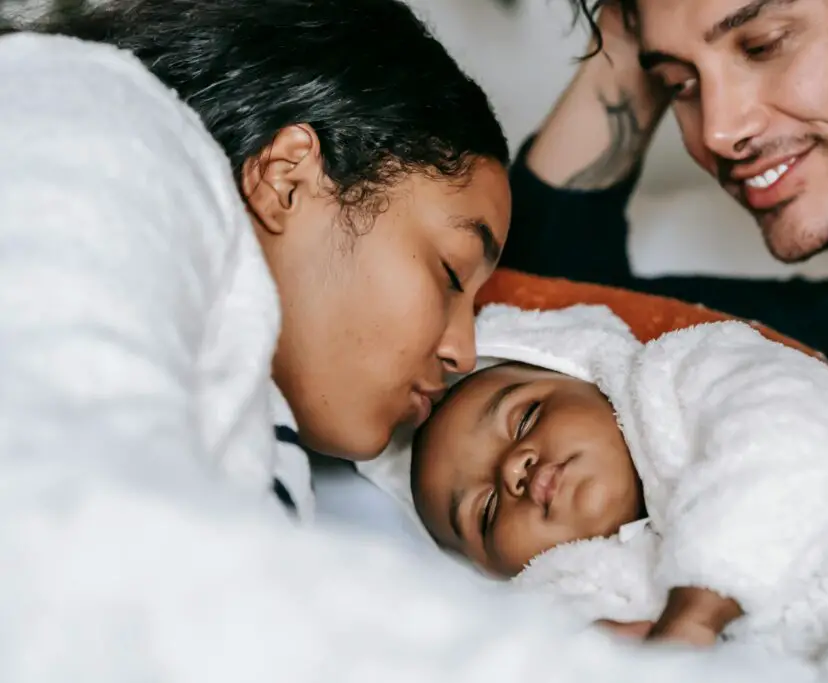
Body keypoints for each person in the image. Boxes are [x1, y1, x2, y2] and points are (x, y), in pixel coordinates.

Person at [0, 0, 510, 521]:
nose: (464, 355)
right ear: (287, 178)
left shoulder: (254, 424)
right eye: (452, 273)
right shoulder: (92, 137)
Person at [500, 0, 828, 421]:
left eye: (763, 45)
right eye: (679, 84)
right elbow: (546, 301)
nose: (716, 132)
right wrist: (624, 24)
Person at [410, 304, 828, 655]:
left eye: (524, 419)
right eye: (487, 511)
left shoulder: (680, 374)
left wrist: (698, 609)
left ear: (583, 376)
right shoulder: (560, 598)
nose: (511, 469)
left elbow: (800, 432)